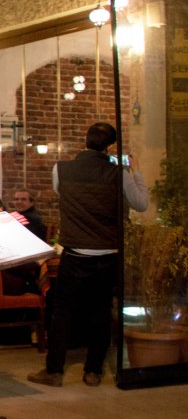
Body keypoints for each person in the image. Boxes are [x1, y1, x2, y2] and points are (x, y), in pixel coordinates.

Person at [29, 122, 148, 388]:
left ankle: (54, 371)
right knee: (101, 312)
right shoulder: (119, 173)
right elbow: (141, 204)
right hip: (108, 252)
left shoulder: (61, 169)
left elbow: (64, 195)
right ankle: (93, 371)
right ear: (111, 147)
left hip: (75, 251)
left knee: (62, 312)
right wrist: (136, 172)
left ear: (85, 141)